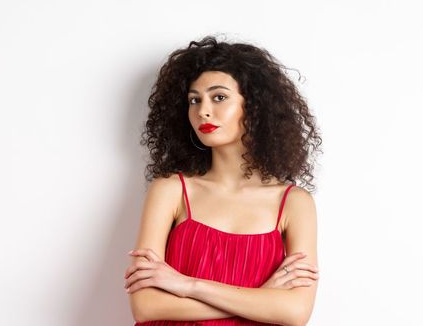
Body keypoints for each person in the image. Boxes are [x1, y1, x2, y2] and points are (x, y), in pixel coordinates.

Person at [124, 35, 323, 326]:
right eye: (194, 100)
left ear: (254, 106)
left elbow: (295, 312)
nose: (203, 110)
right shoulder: (171, 191)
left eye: (219, 97)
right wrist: (260, 298)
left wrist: (188, 285)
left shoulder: (293, 203)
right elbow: (146, 306)